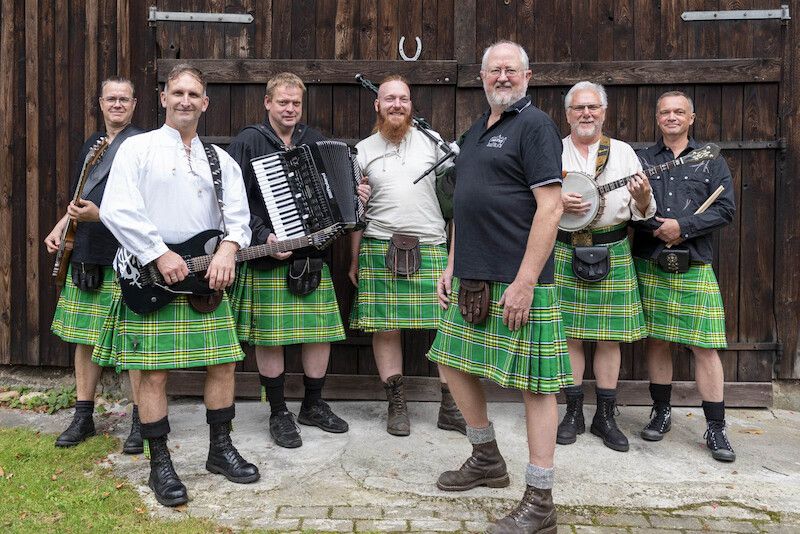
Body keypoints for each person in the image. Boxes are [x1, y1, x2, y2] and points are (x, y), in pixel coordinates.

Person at [92, 64, 259, 507]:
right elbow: (116, 209)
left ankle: (220, 451)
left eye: (194, 94)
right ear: (164, 98)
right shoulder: (138, 149)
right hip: (150, 278)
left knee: (223, 365)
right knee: (153, 373)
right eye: (177, 92)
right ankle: (159, 463)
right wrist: (156, 252)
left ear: (205, 103)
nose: (185, 100)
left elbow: (238, 219)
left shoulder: (219, 161)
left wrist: (227, 249)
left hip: (204, 281)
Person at [427, 41, 572, 534]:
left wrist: (527, 280)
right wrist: (451, 263)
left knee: (536, 386)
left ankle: (540, 500)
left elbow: (551, 208)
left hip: (518, 278)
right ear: (482, 78)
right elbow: (462, 207)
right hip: (471, 273)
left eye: (511, 70)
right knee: (449, 360)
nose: (503, 77)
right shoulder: (475, 130)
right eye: (494, 70)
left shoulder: (536, 127)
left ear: (528, 75)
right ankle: (486, 456)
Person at [227, 72, 369, 448]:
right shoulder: (249, 141)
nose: (290, 109)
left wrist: (356, 197)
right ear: (268, 103)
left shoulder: (315, 140)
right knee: (271, 339)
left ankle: (313, 404)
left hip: (313, 256)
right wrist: (263, 236)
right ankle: (277, 411)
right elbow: (232, 199)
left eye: (296, 103)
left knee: (318, 334)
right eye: (283, 102)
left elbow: (335, 199)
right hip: (268, 255)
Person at [349, 75, 466, 437]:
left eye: (403, 98)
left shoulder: (434, 145)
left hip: (431, 244)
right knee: (385, 328)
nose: (396, 104)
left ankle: (450, 406)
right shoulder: (362, 150)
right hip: (379, 245)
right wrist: (353, 260)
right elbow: (355, 214)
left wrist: (452, 260)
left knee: (447, 327)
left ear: (411, 104)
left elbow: (458, 205)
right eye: (389, 99)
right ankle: (396, 403)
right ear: (377, 105)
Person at [633, 90, 736, 462]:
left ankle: (716, 427)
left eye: (679, 112)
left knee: (705, 347)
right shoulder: (641, 159)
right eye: (665, 112)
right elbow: (629, 209)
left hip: (694, 262)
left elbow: (725, 209)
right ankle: (661, 413)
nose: (672, 117)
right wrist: (656, 226)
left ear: (691, 118)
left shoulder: (710, 161)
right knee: (657, 341)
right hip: (652, 258)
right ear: (657, 118)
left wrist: (684, 226)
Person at [45, 76, 144, 453]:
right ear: (100, 103)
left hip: (125, 256)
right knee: (85, 339)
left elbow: (143, 209)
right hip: (86, 252)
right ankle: (83, 416)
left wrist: (99, 216)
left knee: (134, 341)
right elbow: (79, 196)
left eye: (124, 99)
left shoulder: (142, 146)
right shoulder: (92, 144)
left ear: (134, 104)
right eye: (110, 99)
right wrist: (61, 226)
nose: (117, 105)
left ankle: (140, 420)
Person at [554, 81, 655, 452]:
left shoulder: (624, 153)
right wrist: (558, 204)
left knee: (610, 338)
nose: (586, 114)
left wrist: (644, 197)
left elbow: (644, 210)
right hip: (565, 249)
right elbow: (535, 201)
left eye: (593, 108)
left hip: (611, 248)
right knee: (570, 336)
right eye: (578, 108)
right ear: (567, 114)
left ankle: (606, 417)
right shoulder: (554, 152)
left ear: (604, 112)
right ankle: (574, 412)